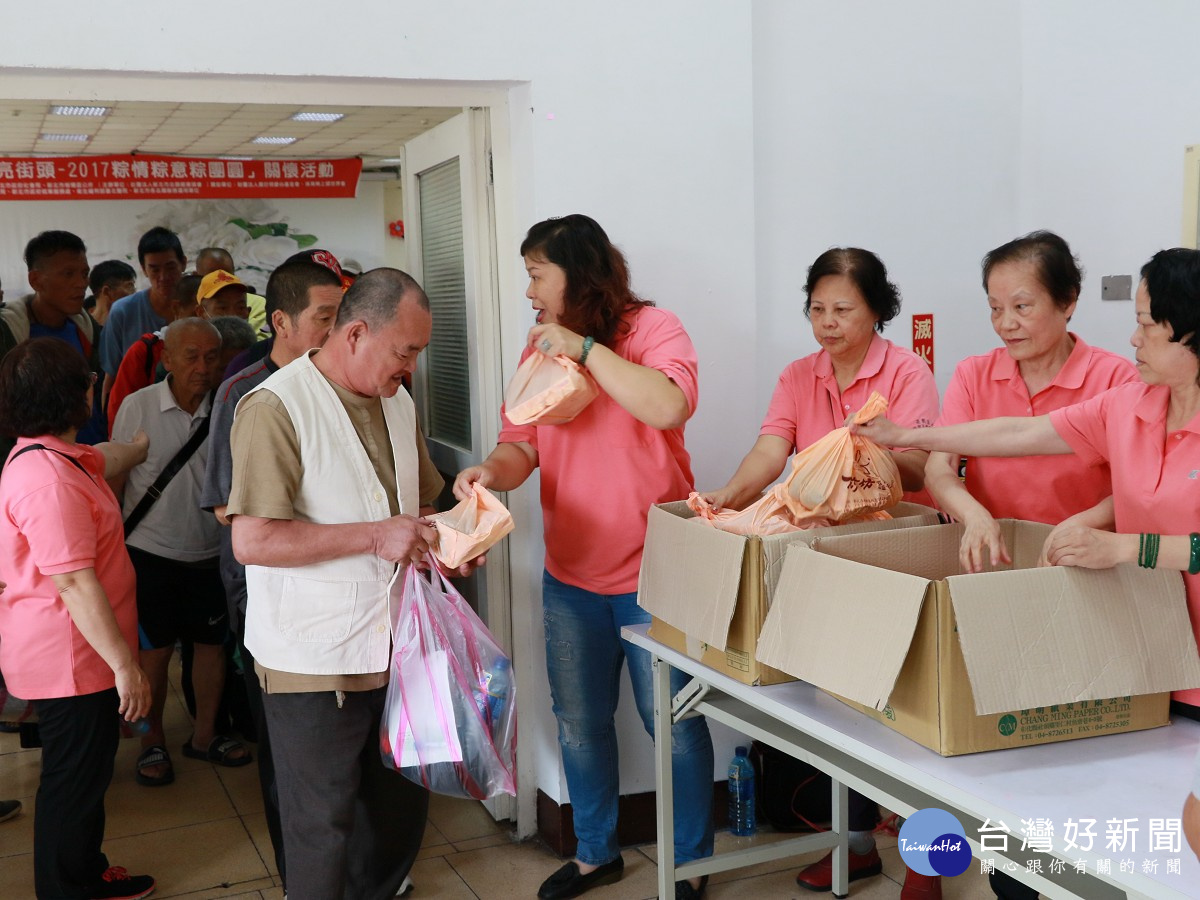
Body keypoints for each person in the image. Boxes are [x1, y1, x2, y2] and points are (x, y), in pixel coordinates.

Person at [455, 214, 714, 900]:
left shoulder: (654, 329)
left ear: (579, 271)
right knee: (579, 723)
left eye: (538, 273)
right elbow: (523, 444)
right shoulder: (538, 350)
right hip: (571, 575)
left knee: (677, 728)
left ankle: (692, 864)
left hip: (658, 575)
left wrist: (587, 348)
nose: (530, 290)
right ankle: (598, 853)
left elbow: (667, 406)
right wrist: (490, 472)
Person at [854, 246, 1200, 760]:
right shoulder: (1129, 404)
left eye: (1148, 323)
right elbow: (1021, 432)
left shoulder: (1117, 382)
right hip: (1144, 647)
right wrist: (903, 432)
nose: (1134, 337)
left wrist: (1126, 548)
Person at [896, 232, 1137, 899]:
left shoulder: (1113, 377)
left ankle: (1048, 876)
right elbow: (944, 467)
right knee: (966, 747)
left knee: (1060, 756)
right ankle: (936, 869)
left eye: (1023, 306)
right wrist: (974, 516)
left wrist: (1085, 524)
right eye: (995, 307)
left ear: (1068, 303)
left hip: (1085, 584)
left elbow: (1136, 483)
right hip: (991, 577)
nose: (1006, 323)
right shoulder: (977, 374)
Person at [695, 248, 937, 899]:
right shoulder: (801, 375)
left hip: (892, 562)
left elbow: (917, 472)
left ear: (877, 310)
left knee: (911, 715)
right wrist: (730, 497)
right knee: (840, 715)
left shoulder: (907, 373)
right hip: (822, 564)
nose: (828, 323)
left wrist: (861, 451)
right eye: (817, 309)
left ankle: (925, 864)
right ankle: (855, 847)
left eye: (843, 310)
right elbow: (773, 450)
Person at [228, 268, 468, 900]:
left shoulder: (397, 400)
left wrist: (455, 540)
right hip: (315, 661)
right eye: (405, 351)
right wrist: (374, 536)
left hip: (398, 646)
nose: (411, 366)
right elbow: (252, 540)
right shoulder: (275, 407)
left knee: (395, 820)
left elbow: (419, 508)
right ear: (356, 332)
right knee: (322, 829)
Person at [199, 258, 348, 889]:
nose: (343, 329)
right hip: (271, 595)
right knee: (288, 747)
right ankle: (301, 872)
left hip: (352, 590)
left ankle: (358, 869)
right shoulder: (243, 393)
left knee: (349, 745)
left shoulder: (358, 382)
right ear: (281, 321)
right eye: (326, 317)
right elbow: (224, 508)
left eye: (347, 313)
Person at [0, 337, 155, 899]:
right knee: (72, 781)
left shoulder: (50, 453)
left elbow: (105, 456)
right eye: (90, 380)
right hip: (71, 659)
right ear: (77, 393)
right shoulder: (48, 481)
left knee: (85, 777)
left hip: (74, 653)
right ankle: (67, 889)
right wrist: (126, 666)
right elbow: (72, 581)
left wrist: (138, 446)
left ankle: (86, 873)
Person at [111, 318, 250, 787]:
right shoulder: (139, 406)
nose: (202, 367)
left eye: (212, 357)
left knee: (211, 649)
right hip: (149, 552)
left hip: (211, 553)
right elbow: (117, 481)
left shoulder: (230, 405)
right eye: (190, 356)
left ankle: (205, 735)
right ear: (167, 359)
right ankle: (152, 743)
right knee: (153, 654)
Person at [0, 231, 107, 452]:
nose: (81, 283)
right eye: (68, 274)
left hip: (94, 458)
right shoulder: (9, 335)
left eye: (84, 273)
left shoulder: (87, 329)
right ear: (35, 280)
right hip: (38, 470)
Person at [100, 227, 188, 406]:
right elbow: (111, 379)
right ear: (144, 269)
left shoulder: (198, 309)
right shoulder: (123, 311)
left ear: (183, 264)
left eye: (170, 267)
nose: (163, 277)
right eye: (154, 269)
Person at [106, 274, 203, 433]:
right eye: (197, 313)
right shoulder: (146, 351)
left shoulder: (221, 355)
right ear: (177, 308)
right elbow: (119, 412)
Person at [195, 246, 267, 335]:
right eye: (222, 308)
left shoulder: (258, 304)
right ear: (200, 312)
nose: (232, 315)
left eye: (240, 308)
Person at [84, 260, 137, 327]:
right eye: (129, 286)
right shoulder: (82, 330)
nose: (135, 293)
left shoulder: (134, 326)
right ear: (107, 292)